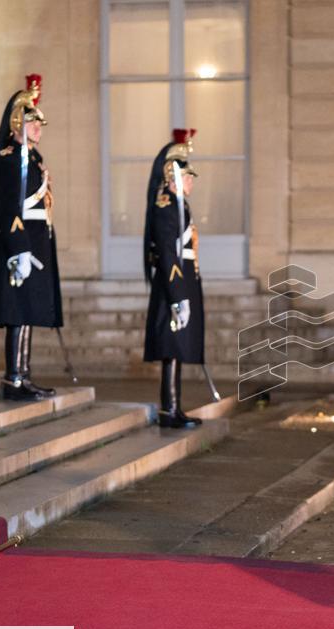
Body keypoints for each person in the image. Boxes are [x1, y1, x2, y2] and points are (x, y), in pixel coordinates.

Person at [0, 73, 63, 401]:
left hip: (36, 243)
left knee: (29, 310)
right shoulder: (8, 159)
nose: (38, 127)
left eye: (40, 122)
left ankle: (25, 374)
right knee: (17, 312)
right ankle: (13, 378)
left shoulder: (33, 160)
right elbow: (6, 208)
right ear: (18, 122)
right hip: (20, 245)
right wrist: (18, 250)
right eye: (33, 121)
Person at [142, 129, 205, 429]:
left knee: (177, 349)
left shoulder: (180, 205)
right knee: (172, 348)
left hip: (182, 283)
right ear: (173, 178)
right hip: (173, 286)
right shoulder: (166, 206)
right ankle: (169, 409)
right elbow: (168, 255)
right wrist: (178, 295)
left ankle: (174, 407)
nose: (191, 182)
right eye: (187, 176)